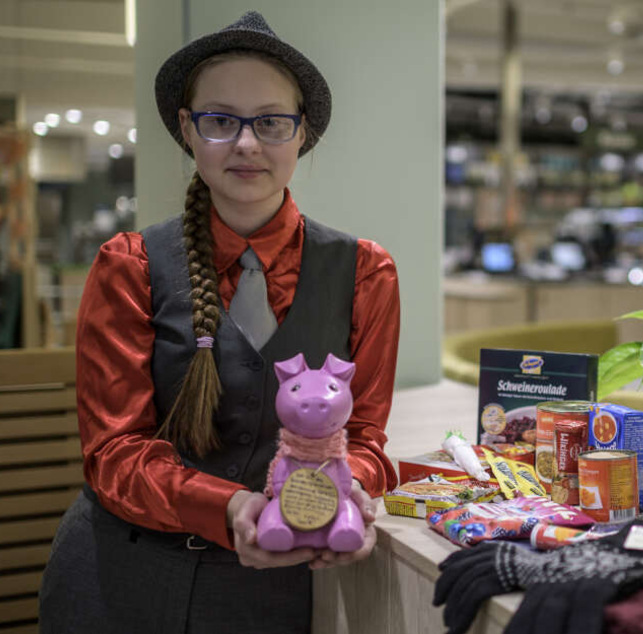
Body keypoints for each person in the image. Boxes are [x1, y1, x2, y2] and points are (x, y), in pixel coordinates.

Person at [38, 11, 400, 633]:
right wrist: (229, 505)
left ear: (301, 131)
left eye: (270, 121)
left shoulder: (365, 273)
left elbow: (364, 439)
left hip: (275, 592)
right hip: (121, 583)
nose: (247, 143)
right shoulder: (129, 266)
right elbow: (114, 453)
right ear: (187, 127)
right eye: (220, 120)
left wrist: (344, 494)